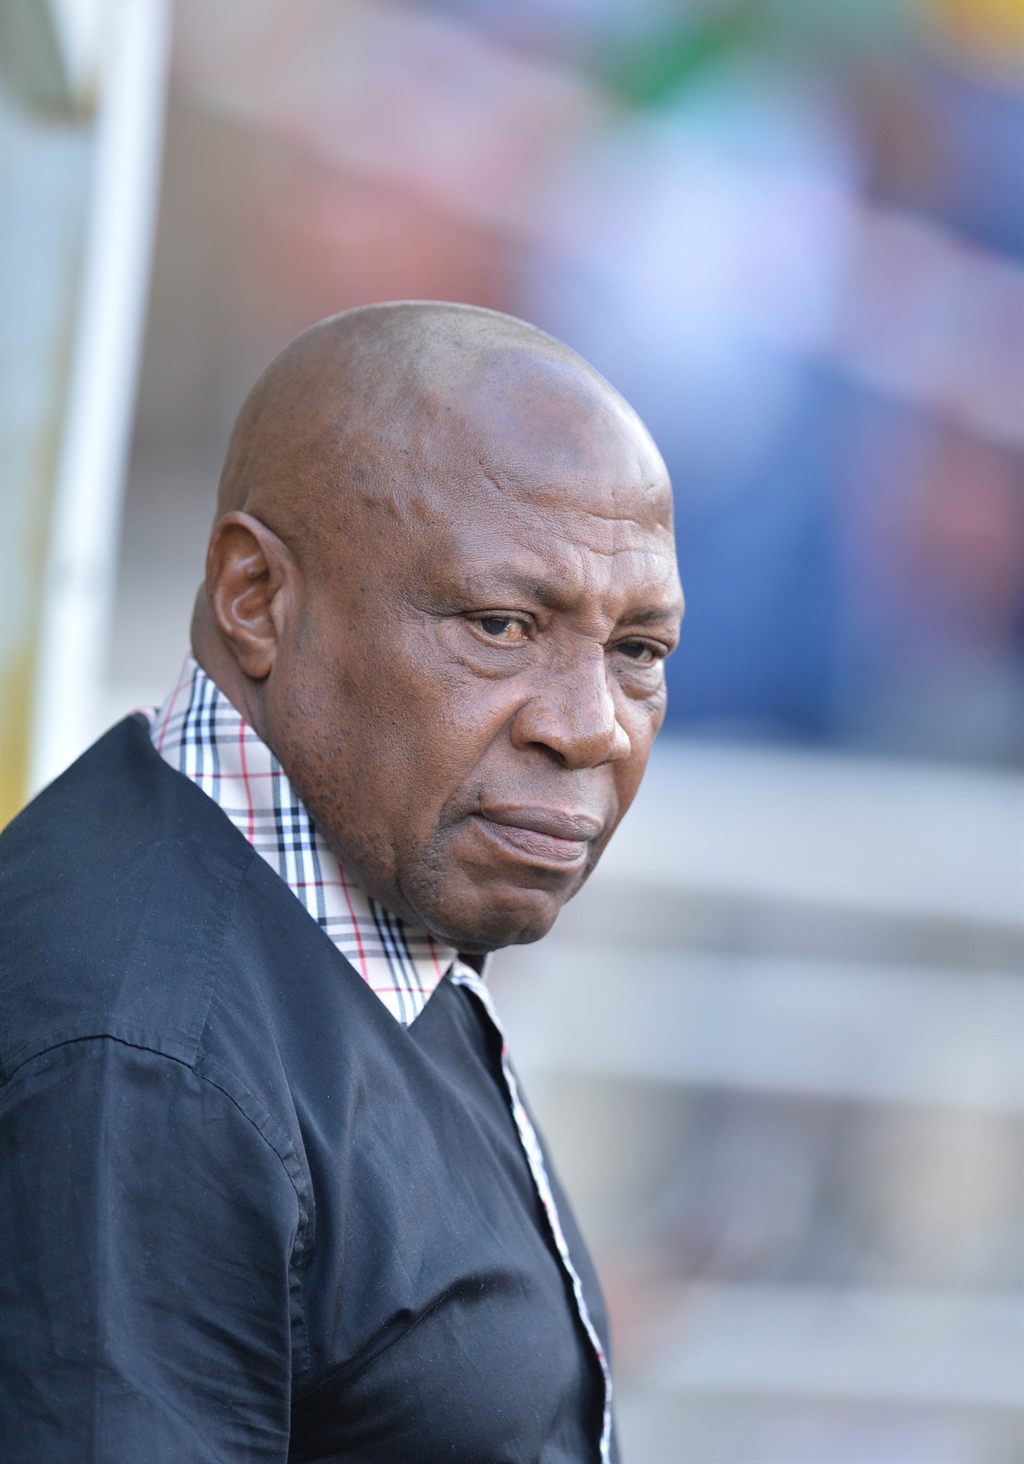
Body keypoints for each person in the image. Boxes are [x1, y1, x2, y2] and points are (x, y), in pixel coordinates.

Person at [1, 302, 683, 1463]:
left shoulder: (360, 897)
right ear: (255, 598)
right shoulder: (148, 1064)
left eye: (637, 651)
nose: (592, 729)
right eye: (502, 623)